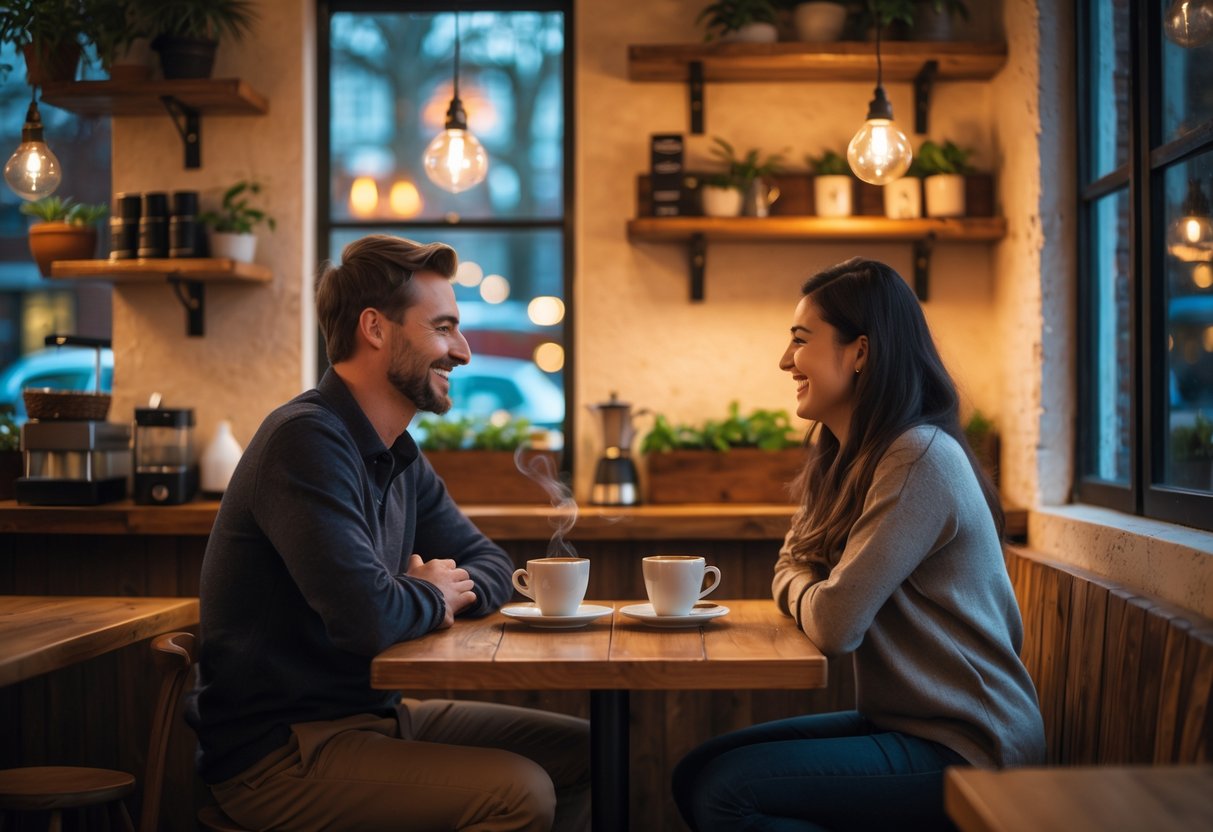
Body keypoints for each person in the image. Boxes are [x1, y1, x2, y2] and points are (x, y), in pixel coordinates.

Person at [186, 235, 589, 832]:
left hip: (374, 718)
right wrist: (427, 594)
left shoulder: (396, 452)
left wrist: (429, 587)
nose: (464, 351)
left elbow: (493, 563)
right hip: (280, 754)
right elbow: (367, 616)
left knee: (588, 751)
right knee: (519, 793)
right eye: (444, 328)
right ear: (374, 328)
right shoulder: (306, 440)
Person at [671, 258, 1046, 831]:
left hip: (973, 745)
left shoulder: (917, 458)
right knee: (696, 771)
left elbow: (835, 623)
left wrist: (806, 587)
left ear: (861, 352)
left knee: (726, 792)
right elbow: (792, 567)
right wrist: (807, 586)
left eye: (800, 340)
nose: (784, 360)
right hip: (908, 723)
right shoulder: (848, 456)